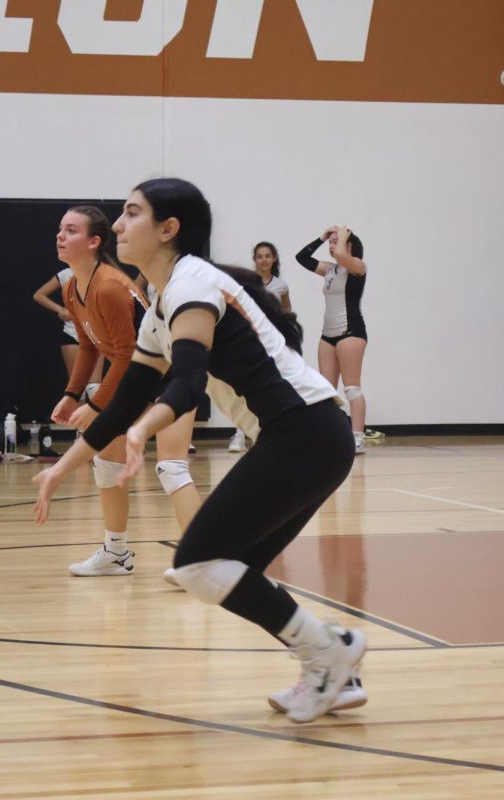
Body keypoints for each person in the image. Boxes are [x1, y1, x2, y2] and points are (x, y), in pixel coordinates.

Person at [32, 179, 366, 723]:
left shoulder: (193, 283)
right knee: (230, 571)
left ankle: (329, 651)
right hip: (307, 438)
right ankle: (332, 663)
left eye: (130, 214)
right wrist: (61, 470)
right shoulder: (163, 303)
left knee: (197, 565)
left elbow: (186, 382)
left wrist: (144, 433)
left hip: (304, 433)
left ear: (168, 229)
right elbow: (122, 403)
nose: (117, 225)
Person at [48, 205, 199, 577]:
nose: (60, 236)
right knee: (107, 464)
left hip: (170, 378)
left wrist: (97, 404)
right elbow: (88, 346)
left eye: (70, 230)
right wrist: (71, 394)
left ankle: (202, 561)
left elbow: (128, 353)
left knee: (171, 466)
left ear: (94, 241)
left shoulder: (111, 286)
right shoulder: (71, 288)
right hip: (133, 382)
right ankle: (116, 554)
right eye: (60, 229)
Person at [295, 226, 369, 454]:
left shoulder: (357, 267)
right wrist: (322, 237)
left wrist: (344, 236)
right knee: (325, 391)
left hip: (351, 333)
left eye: (336, 241)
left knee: (352, 388)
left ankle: (357, 436)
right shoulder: (331, 269)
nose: (331, 246)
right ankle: (329, 435)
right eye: (330, 242)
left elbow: (341, 256)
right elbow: (302, 258)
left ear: (349, 245)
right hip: (328, 335)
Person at [229, 241, 291, 453]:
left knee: (269, 386)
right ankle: (238, 433)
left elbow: (286, 312)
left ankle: (266, 432)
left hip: (270, 342)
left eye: (268, 256)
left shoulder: (280, 286)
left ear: (273, 259)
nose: (264, 259)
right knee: (241, 386)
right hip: (247, 339)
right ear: (254, 259)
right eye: (259, 256)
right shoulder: (246, 282)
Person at [31, 269, 104, 386]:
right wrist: (60, 310)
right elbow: (38, 295)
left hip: (95, 335)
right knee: (77, 386)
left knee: (94, 386)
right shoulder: (66, 274)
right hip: (71, 333)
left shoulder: (103, 273)